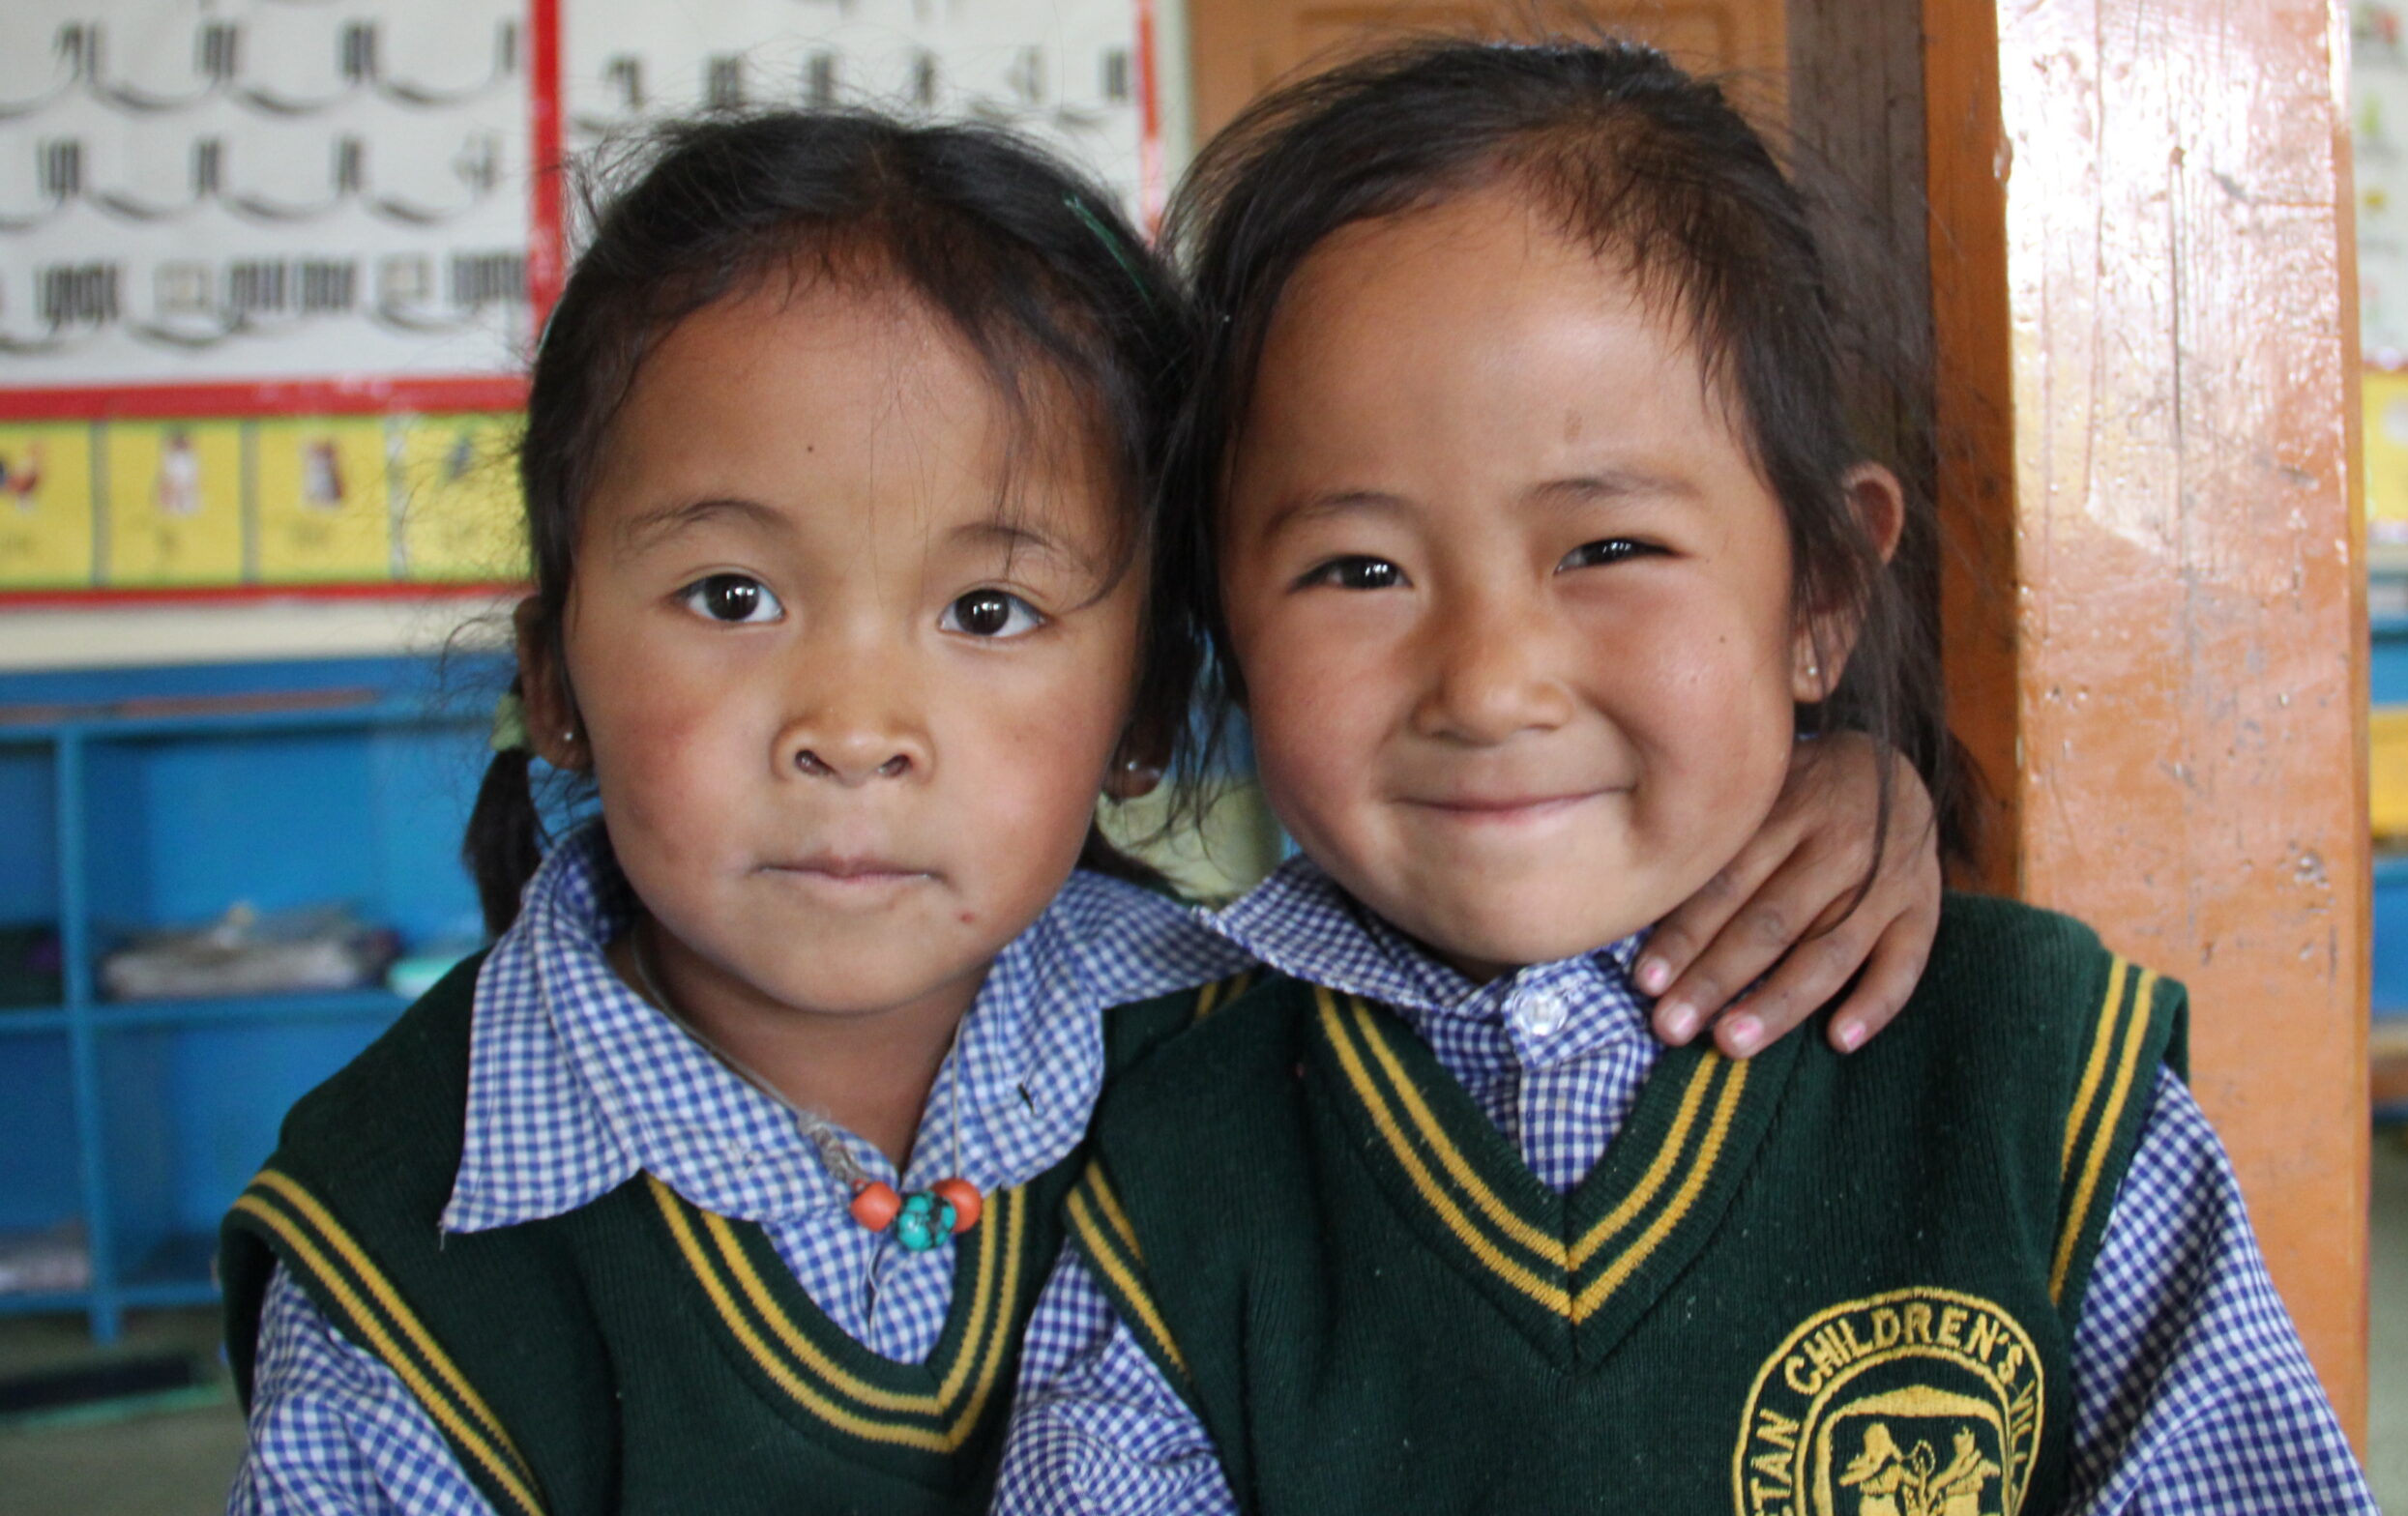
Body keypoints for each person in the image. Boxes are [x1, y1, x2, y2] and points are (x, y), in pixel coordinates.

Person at [217, 108, 1944, 1515]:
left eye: (988, 611)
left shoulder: (1277, 1024)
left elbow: (1578, 945)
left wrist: (1843, 789)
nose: (854, 732)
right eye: (732, 597)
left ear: (1143, 714)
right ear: (555, 678)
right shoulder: (402, 1251)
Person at [994, 40, 2375, 1516]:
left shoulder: (2031, 1081)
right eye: (1360, 569)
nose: (1490, 684)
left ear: (1820, 596)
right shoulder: (1177, 1138)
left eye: (1609, 549)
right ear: (1221, 622)